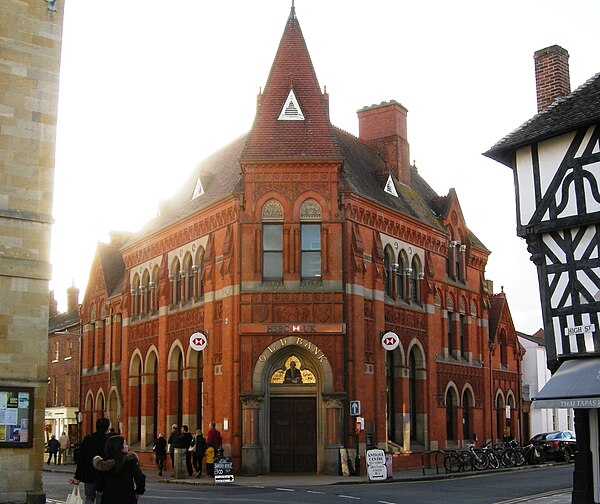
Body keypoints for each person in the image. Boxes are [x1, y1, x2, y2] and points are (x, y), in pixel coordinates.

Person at [93, 435, 145, 504]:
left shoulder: (103, 464)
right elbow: (140, 478)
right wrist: (138, 491)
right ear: (120, 447)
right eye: (125, 444)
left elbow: (99, 485)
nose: (127, 446)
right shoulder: (130, 461)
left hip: (108, 498)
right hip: (127, 498)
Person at [69, 417, 110, 504]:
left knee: (89, 497)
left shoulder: (88, 439)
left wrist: (77, 477)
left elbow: (81, 459)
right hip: (103, 475)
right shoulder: (108, 441)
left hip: (89, 474)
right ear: (107, 427)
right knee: (101, 496)